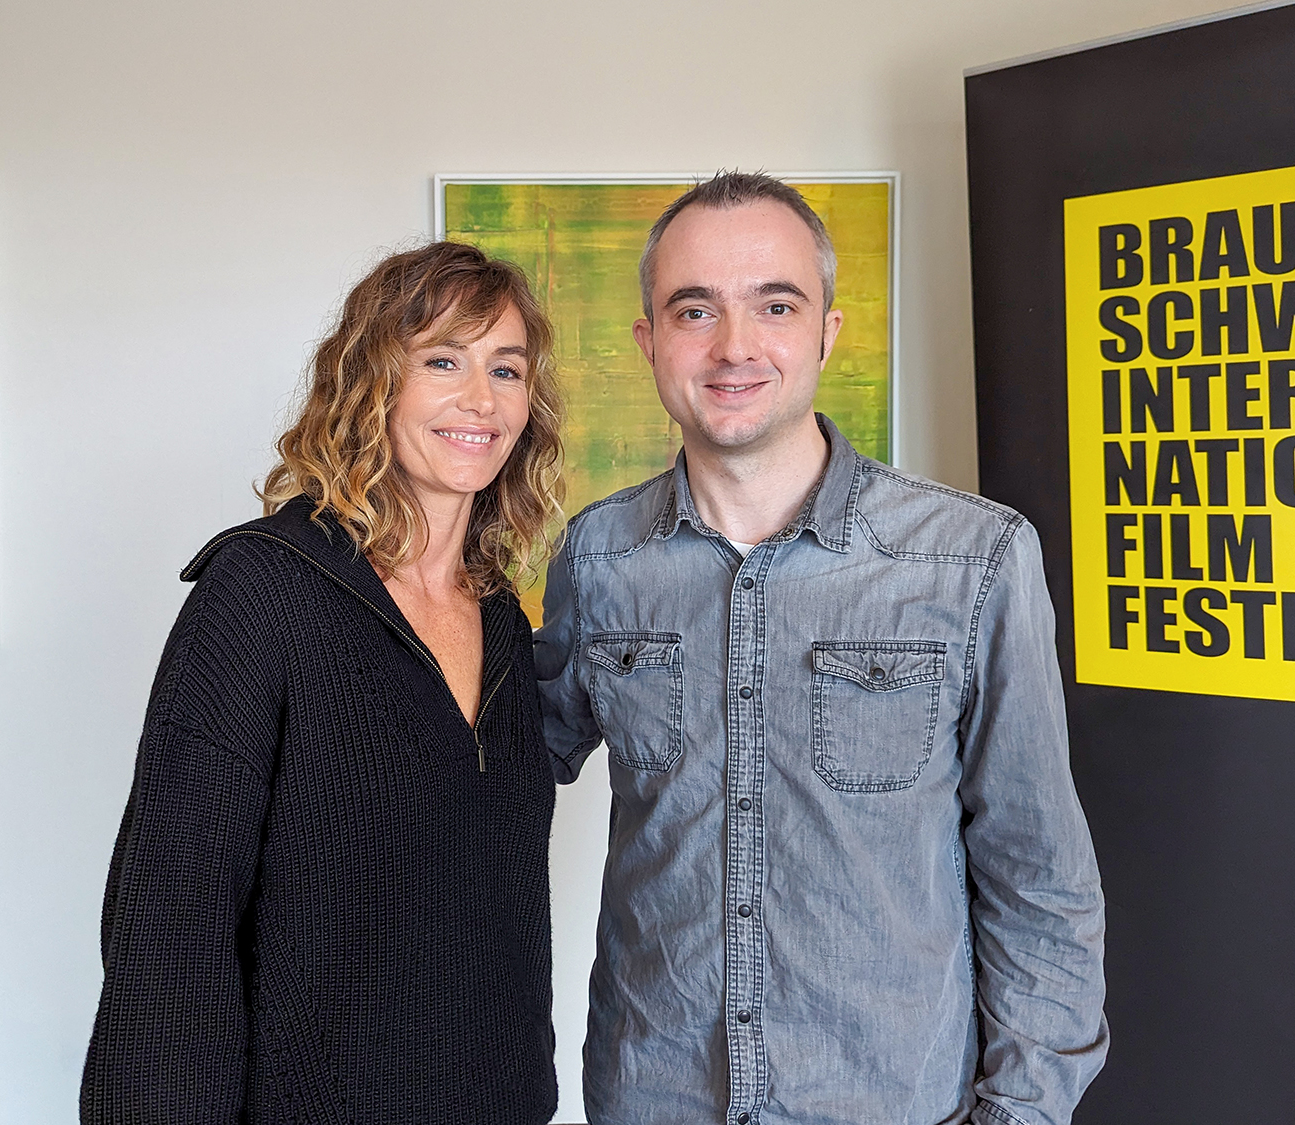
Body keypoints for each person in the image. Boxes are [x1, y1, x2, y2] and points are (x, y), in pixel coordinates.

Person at [534, 172, 1108, 1125]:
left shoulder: (973, 558)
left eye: (775, 304)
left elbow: (1039, 879)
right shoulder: (598, 559)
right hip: (654, 1099)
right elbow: (484, 786)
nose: (734, 346)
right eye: (693, 309)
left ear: (827, 332)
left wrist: (1019, 1113)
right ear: (648, 340)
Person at [81, 241, 564, 1124]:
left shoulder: (500, 618)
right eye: (444, 361)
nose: (481, 399)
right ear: (373, 382)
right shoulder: (263, 590)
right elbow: (170, 918)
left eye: (507, 368)